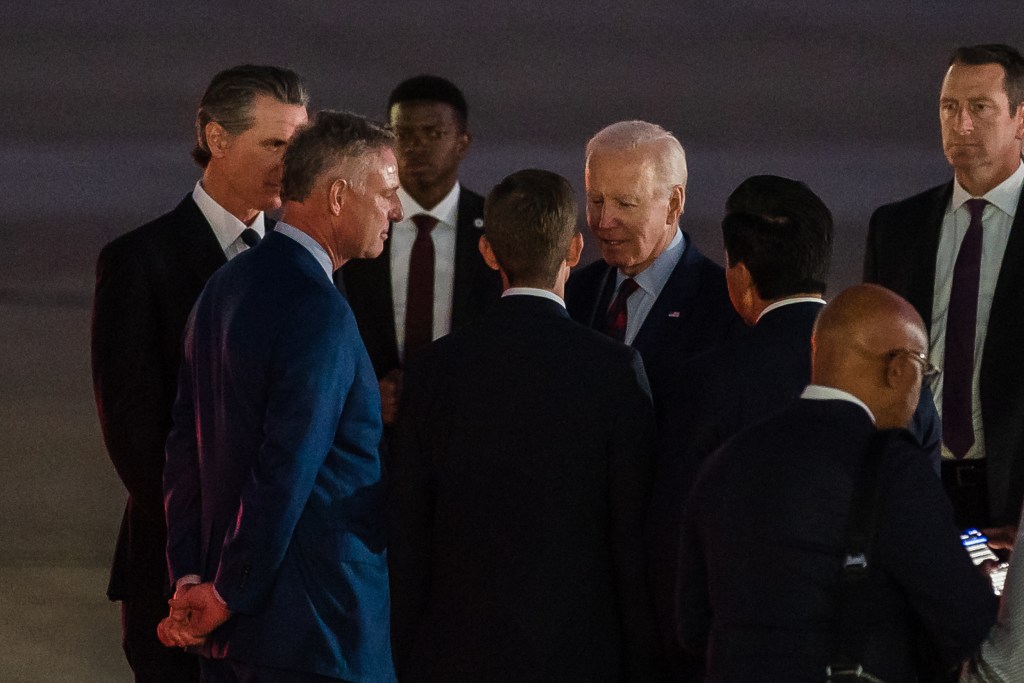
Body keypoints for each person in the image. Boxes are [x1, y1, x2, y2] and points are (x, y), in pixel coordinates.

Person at [388, 169, 663, 681]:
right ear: (575, 249)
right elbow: (632, 538)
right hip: (579, 653)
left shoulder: (434, 371)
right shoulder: (615, 372)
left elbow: (408, 532)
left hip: (454, 653)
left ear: (489, 252)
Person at [158, 111, 400, 682]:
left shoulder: (225, 286)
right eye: (387, 193)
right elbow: (285, 466)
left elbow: (182, 451)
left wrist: (191, 576)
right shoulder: (319, 310)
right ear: (339, 196)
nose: (396, 210)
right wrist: (230, 591)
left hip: (232, 640)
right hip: (317, 635)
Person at [90, 64, 308, 682]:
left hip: (281, 586)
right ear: (217, 139)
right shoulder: (140, 262)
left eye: (299, 144)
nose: (293, 163)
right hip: (175, 579)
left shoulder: (309, 261)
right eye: (275, 143)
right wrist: (216, 557)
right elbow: (134, 436)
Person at [678, 285, 998, 681]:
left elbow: (693, 623)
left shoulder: (727, 461)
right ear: (897, 367)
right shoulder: (892, 467)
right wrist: (982, 584)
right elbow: (963, 622)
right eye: (924, 369)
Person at [647, 175, 833, 673]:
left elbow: (678, 534)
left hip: (741, 653)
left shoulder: (705, 383)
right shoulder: (890, 371)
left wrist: (691, 642)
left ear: (741, 275)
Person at [865, 44, 1024, 529]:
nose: (962, 125)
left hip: (1014, 493)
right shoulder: (896, 227)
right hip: (915, 487)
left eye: (980, 108)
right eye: (949, 107)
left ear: (1021, 119)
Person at [340, 75, 501, 426]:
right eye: (403, 134)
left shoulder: (497, 228)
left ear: (462, 142)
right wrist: (363, 395)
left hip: (470, 428)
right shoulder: (356, 225)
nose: (416, 146)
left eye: (433, 133)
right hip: (376, 434)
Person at [565, 120, 740, 412]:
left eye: (625, 204)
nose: (604, 221)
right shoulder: (573, 294)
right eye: (596, 200)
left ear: (673, 204)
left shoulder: (723, 307)